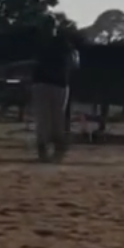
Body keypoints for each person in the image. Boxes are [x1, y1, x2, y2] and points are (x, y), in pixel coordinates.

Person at [28, 27, 80, 163]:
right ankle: (50, 150)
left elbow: (74, 60)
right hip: (53, 83)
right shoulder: (60, 43)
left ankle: (51, 150)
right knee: (52, 118)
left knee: (49, 118)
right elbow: (74, 62)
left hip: (51, 84)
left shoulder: (44, 42)